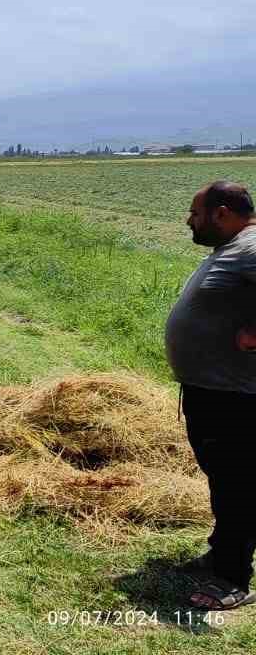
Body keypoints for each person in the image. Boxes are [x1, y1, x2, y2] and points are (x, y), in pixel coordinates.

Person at [166, 180, 256, 611]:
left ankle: (233, 577)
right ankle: (223, 553)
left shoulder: (252, 247)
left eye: (195, 212)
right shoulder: (235, 250)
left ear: (222, 213)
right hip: (214, 392)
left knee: (238, 484)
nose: (189, 220)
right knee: (225, 479)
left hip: (236, 398)